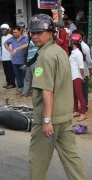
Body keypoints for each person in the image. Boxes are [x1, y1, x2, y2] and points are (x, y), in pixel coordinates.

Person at [28, 14, 87, 180]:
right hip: (64, 118)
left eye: (39, 32)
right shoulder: (60, 52)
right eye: (33, 33)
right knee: (72, 159)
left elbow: (47, 90)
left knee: (38, 161)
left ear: (51, 32)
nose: (35, 36)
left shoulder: (45, 57)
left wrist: (47, 121)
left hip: (49, 121)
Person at [4, 23, 28, 95]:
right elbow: (5, 43)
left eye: (15, 32)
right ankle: (20, 88)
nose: (14, 34)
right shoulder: (12, 39)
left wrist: (17, 49)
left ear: (20, 31)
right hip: (15, 61)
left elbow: (28, 44)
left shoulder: (26, 38)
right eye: (13, 32)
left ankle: (27, 89)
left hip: (23, 61)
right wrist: (10, 51)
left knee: (26, 76)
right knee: (17, 76)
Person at [73, 29, 92, 111]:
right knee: (79, 91)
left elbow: (89, 61)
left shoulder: (85, 47)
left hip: (83, 71)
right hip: (77, 72)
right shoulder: (76, 47)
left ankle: (85, 106)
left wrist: (90, 69)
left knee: (83, 91)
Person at [69, 33, 87, 121]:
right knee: (74, 95)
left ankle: (83, 113)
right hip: (73, 76)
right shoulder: (74, 52)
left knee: (79, 95)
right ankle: (76, 111)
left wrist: (82, 76)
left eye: (70, 40)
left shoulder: (78, 53)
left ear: (73, 42)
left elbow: (81, 67)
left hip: (77, 77)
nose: (69, 41)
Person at [0, 23, 15, 89]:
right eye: (2, 29)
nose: (3, 31)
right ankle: (8, 82)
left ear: (8, 30)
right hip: (4, 57)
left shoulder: (11, 37)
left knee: (10, 71)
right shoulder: (2, 37)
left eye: (4, 29)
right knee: (6, 71)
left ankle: (12, 83)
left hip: (9, 57)